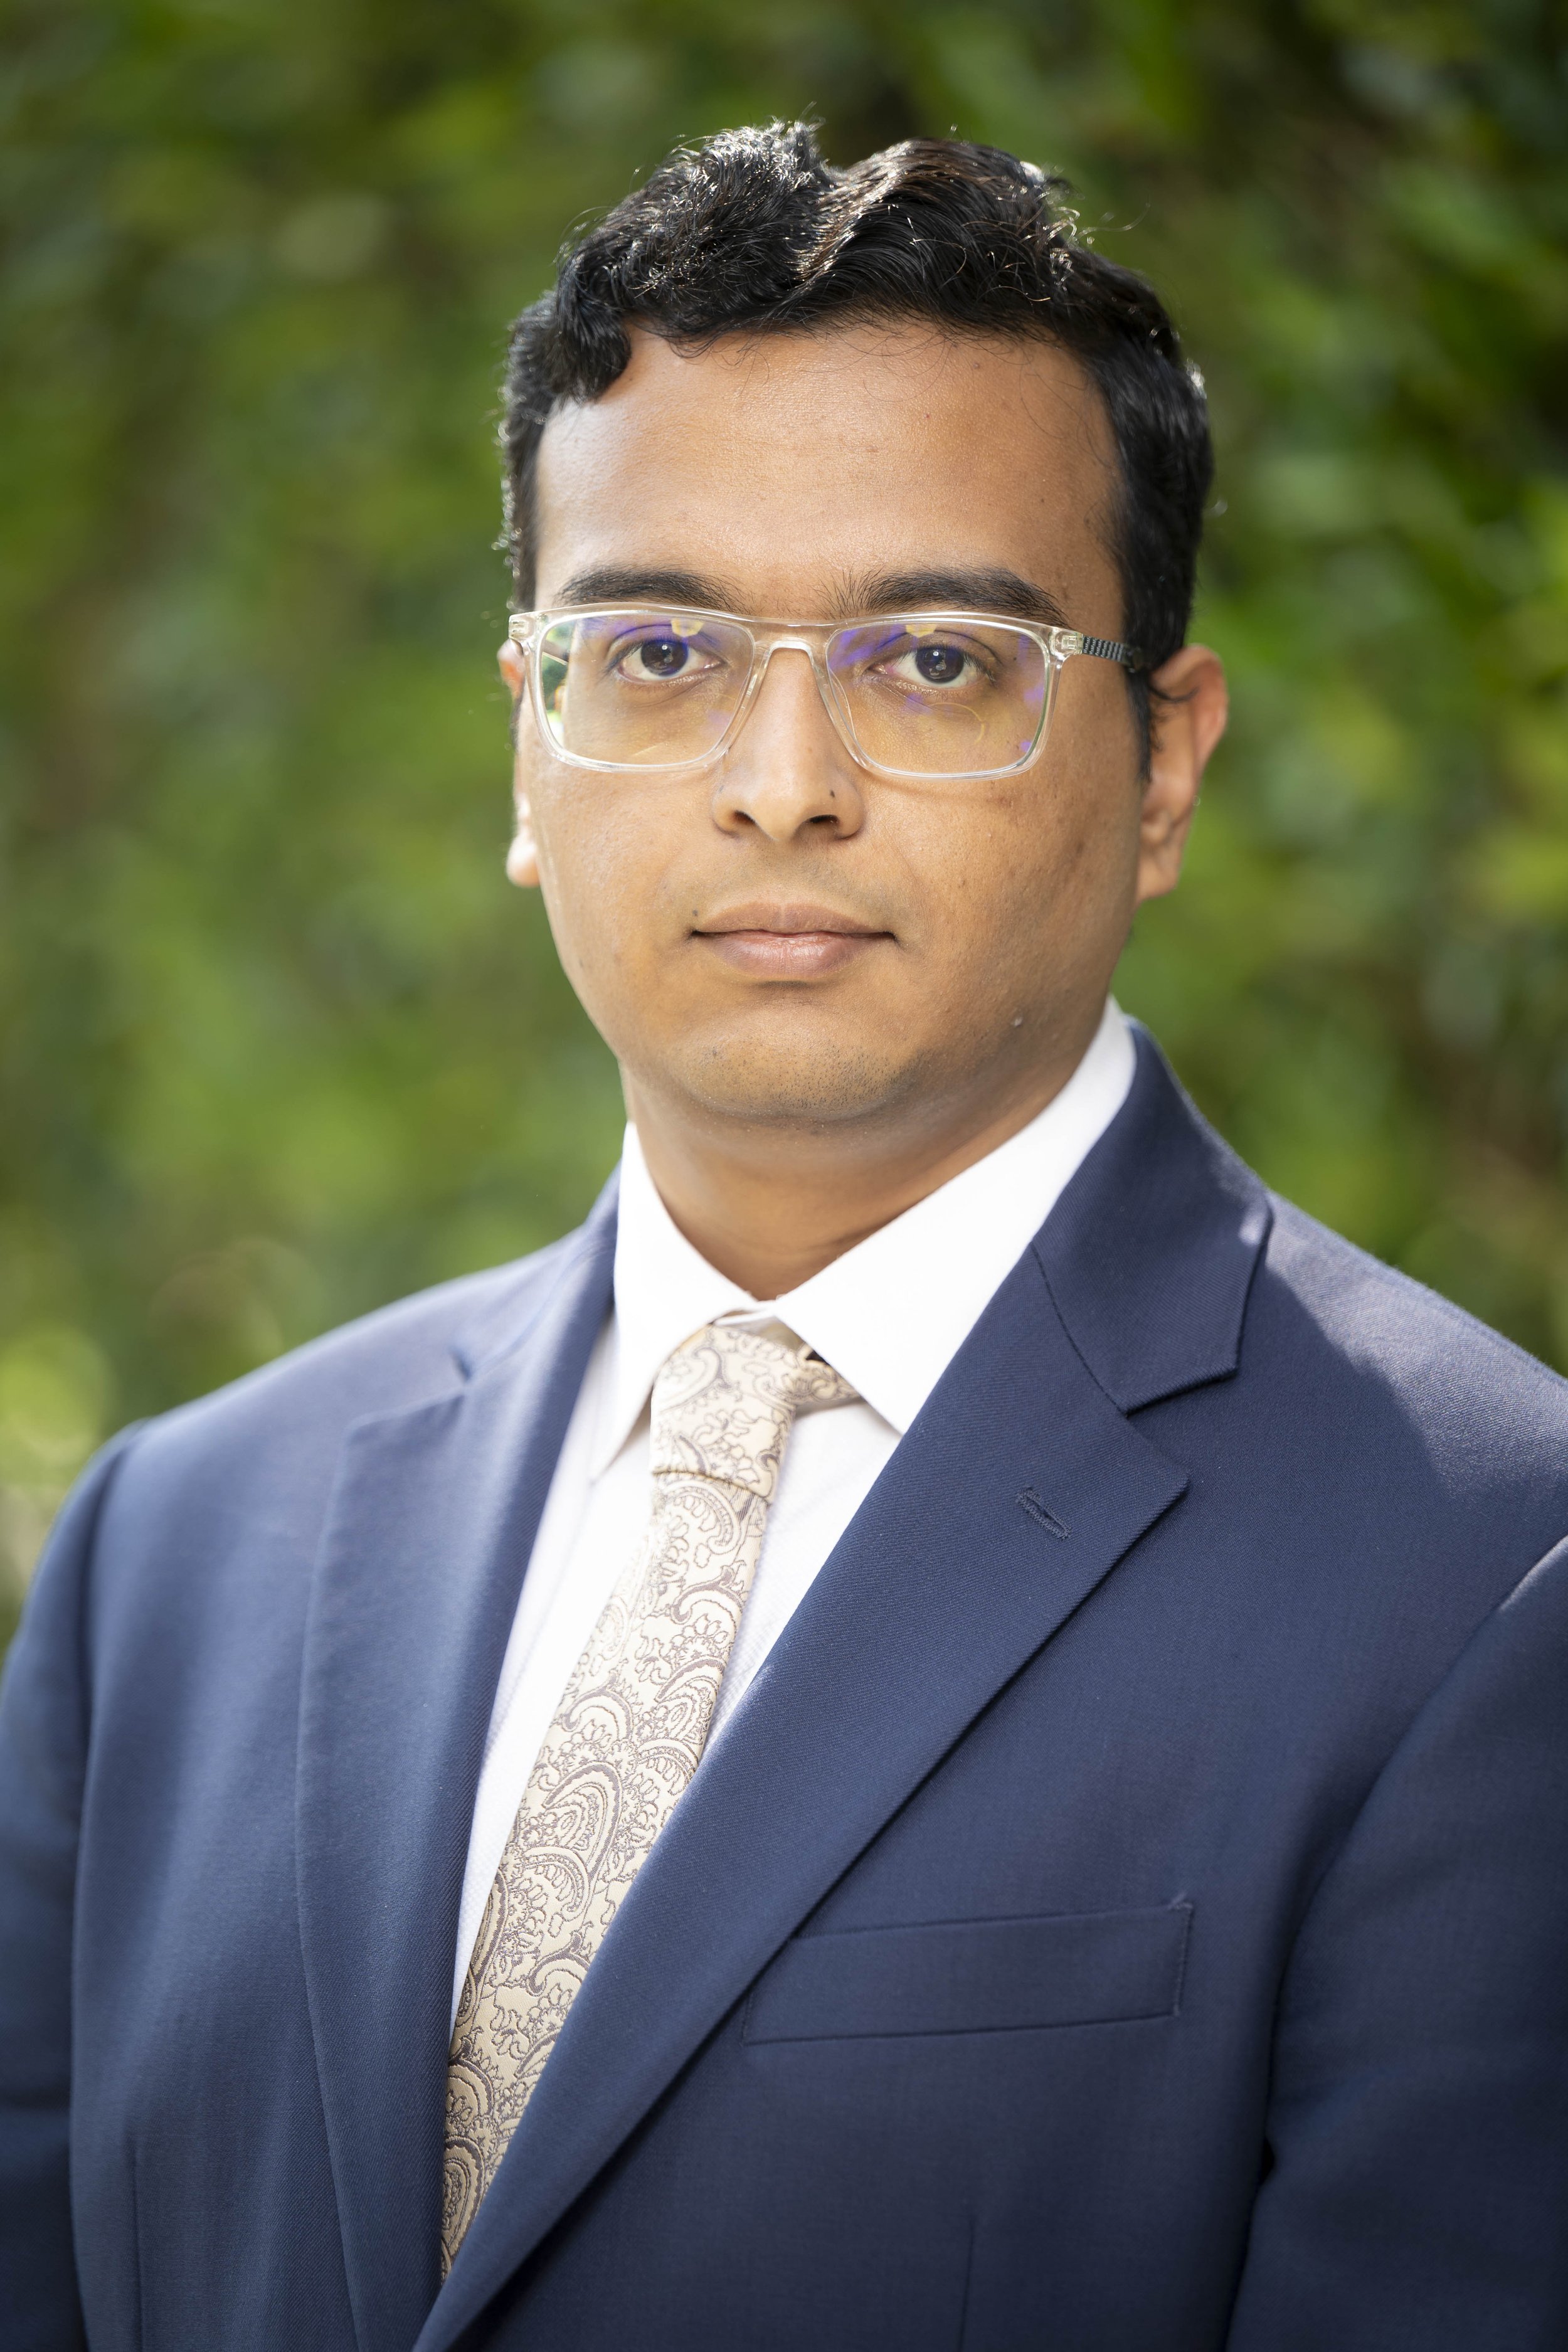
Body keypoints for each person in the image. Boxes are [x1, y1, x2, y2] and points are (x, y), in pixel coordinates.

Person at [3, 120, 1566, 2352]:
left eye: (934, 662)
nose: (777, 782)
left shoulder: (1484, 1573)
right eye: (656, 649)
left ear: (1161, 767)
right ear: (529, 749)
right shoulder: (176, 1552)